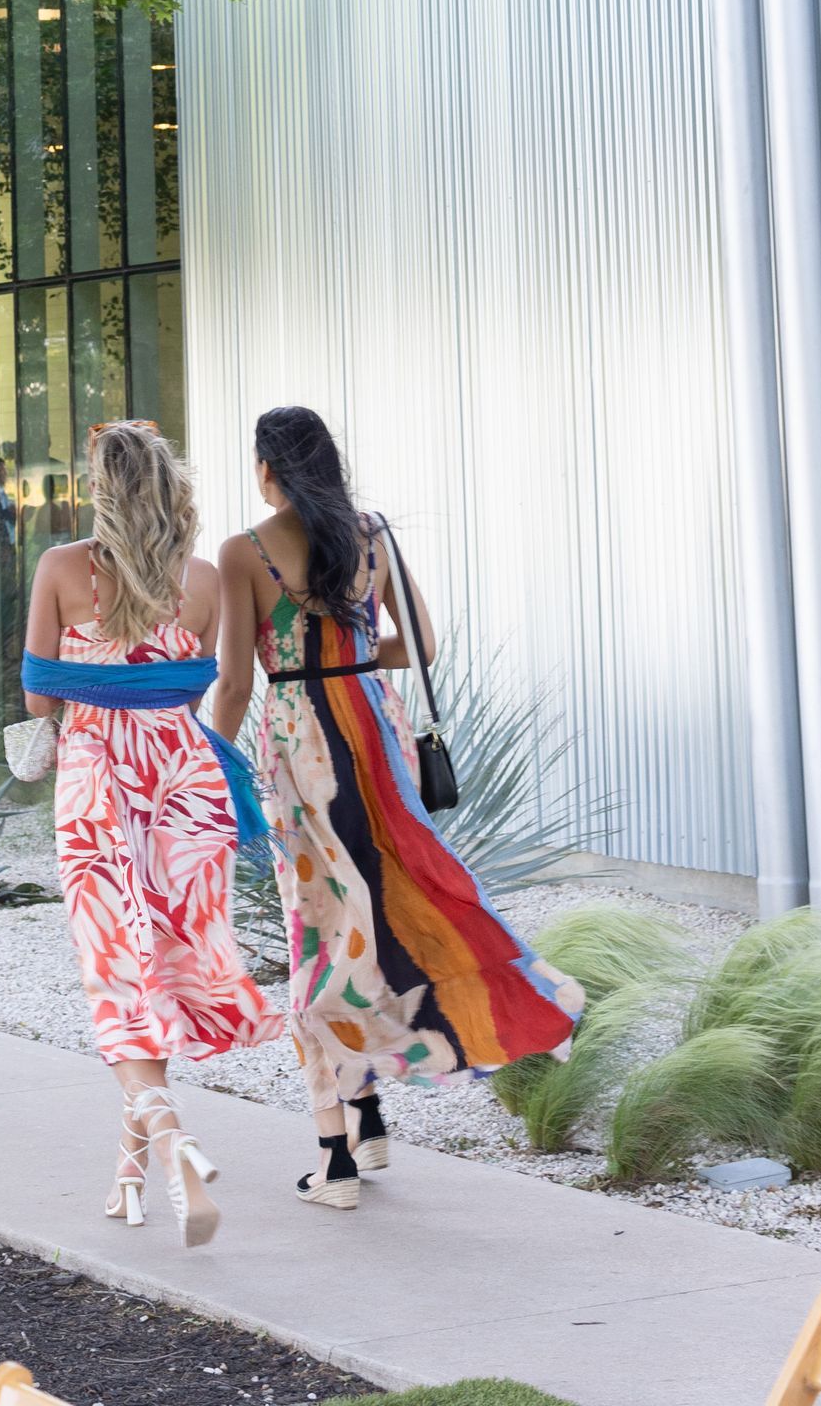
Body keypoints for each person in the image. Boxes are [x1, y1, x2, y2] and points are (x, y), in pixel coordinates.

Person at [213, 404, 582, 1210]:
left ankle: (336, 1161)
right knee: (380, 918)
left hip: (303, 754)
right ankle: (371, 1119)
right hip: (377, 736)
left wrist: (216, 765)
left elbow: (236, 682)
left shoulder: (244, 551)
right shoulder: (372, 534)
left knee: (321, 935)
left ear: (267, 468)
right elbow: (421, 645)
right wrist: (348, 652)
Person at [21, 418, 279, 1248]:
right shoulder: (201, 580)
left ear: (100, 492)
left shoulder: (62, 569)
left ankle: (173, 1148)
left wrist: (90, 679)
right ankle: (129, 1171)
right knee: (159, 966)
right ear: (172, 491)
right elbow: (193, 686)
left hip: (99, 779)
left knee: (118, 971)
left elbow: (38, 697)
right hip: (185, 782)